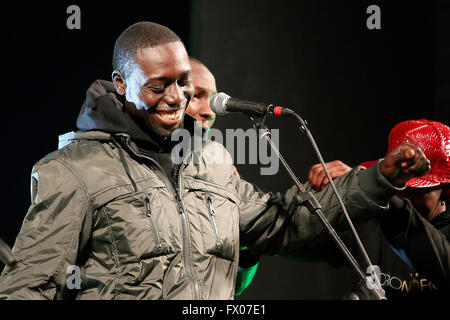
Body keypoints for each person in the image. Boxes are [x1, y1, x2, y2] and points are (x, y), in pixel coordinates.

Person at [0, 22, 430, 300]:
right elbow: (29, 287)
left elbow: (284, 223)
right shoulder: (74, 169)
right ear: (122, 84)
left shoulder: (213, 160)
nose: (175, 98)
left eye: (183, 82)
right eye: (157, 86)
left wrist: (379, 179)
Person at [307, 119, 450, 299]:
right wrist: (333, 194)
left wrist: (369, 185)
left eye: (413, 189)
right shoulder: (369, 222)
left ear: (446, 191)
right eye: (397, 182)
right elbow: (291, 236)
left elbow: (412, 229)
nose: (400, 193)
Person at [186, 57, 259, 296]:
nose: (209, 111)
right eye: (196, 95)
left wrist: (244, 237)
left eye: (213, 98)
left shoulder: (220, 169)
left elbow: (234, 285)